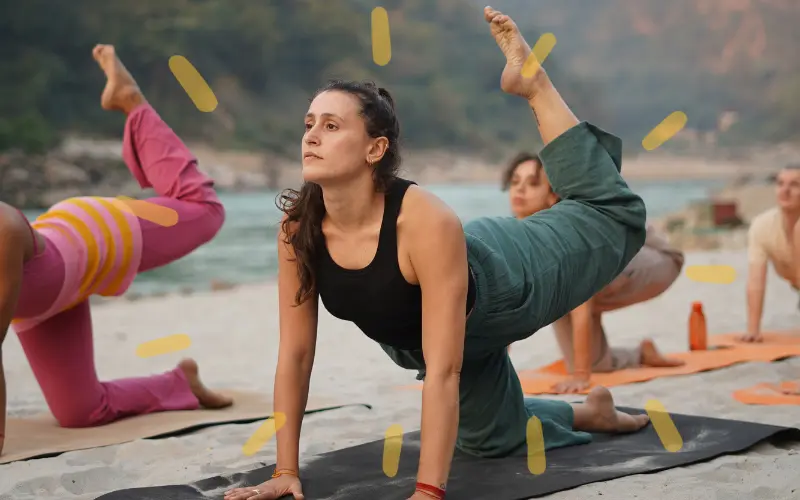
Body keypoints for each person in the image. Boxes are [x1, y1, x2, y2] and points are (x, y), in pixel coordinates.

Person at [224, 7, 651, 500]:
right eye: (309, 123)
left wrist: (428, 492)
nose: (312, 135)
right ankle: (588, 412)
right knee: (492, 441)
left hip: (504, 285)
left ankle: (534, 85)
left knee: (616, 214)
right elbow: (296, 355)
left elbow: (444, 372)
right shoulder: (298, 231)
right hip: (431, 338)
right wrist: (285, 472)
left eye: (332, 126)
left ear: (374, 148)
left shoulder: (423, 220)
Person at [0, 45, 233, 456]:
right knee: (80, 412)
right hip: (45, 302)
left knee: (205, 211)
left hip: (89, 239)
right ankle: (181, 383)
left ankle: (133, 102)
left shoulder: (1, 226)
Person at [501, 152, 685, 393]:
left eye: (533, 183)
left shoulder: (564, 233)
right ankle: (641, 353)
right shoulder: (516, 235)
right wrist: (496, 372)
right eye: (515, 182)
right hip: (591, 278)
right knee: (594, 363)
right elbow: (509, 305)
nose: (520, 190)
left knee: (571, 287)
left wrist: (580, 377)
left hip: (659, 257)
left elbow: (581, 303)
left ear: (552, 196)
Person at [742, 164, 800, 344]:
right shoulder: (763, 226)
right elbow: (756, 281)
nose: (785, 191)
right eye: (780, 184)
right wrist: (753, 330)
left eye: (795, 185)